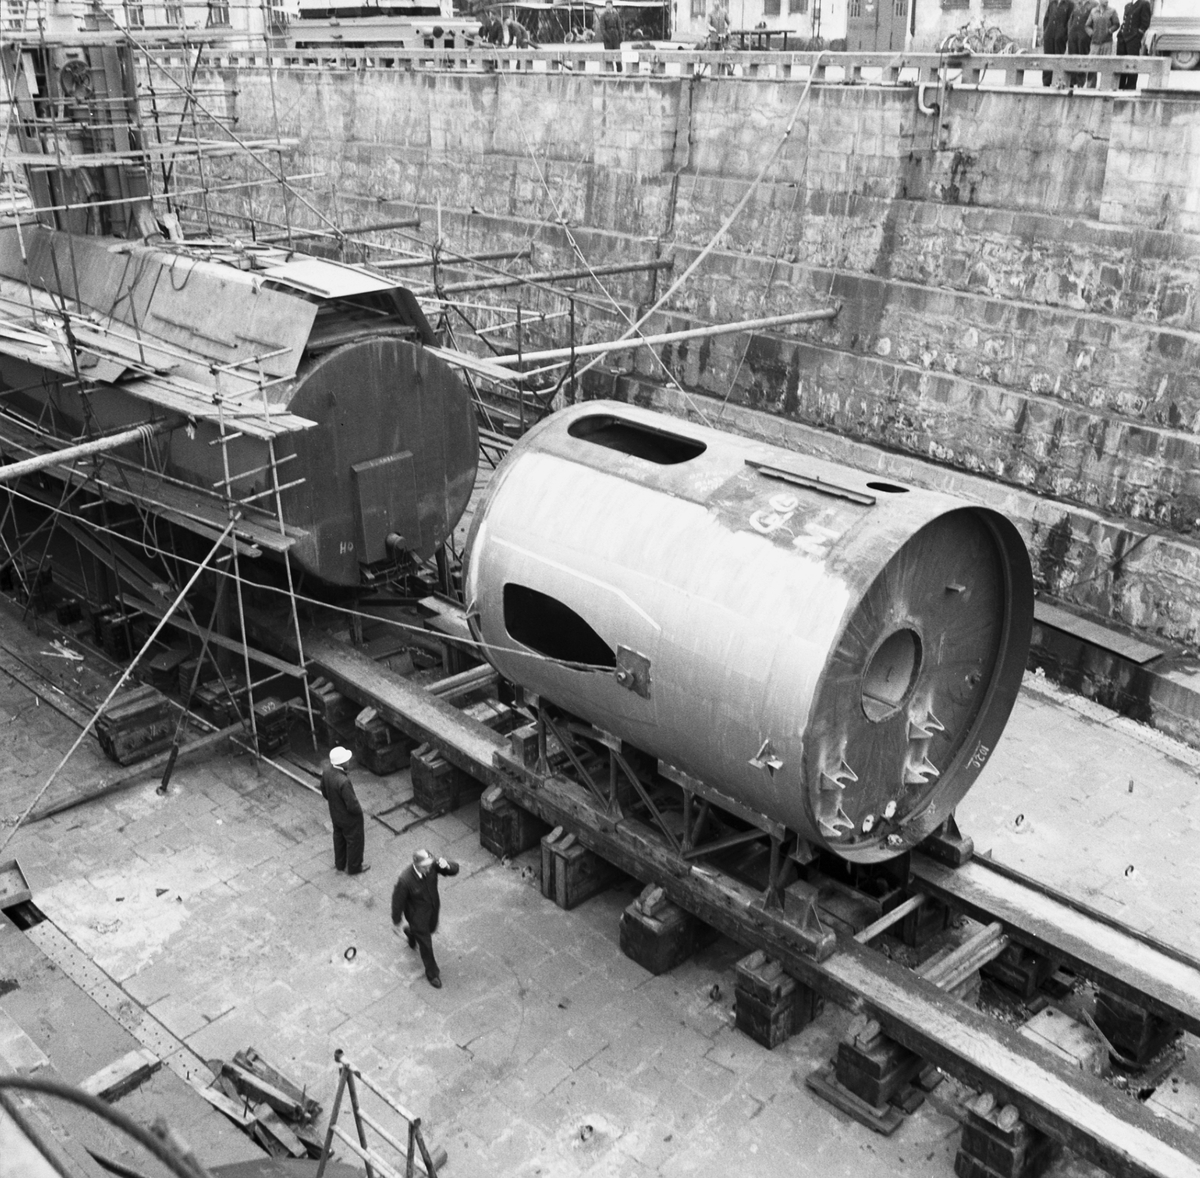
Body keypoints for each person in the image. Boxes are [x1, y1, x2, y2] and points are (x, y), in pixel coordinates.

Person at [391, 848, 460, 988]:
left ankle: (411, 932)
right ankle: (432, 973)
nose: (429, 869)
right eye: (425, 867)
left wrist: (447, 865)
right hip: (417, 916)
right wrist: (396, 920)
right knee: (426, 944)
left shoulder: (432, 865)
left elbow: (454, 869)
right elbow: (397, 901)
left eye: (429, 865)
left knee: (432, 929)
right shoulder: (405, 880)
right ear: (417, 865)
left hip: (433, 909)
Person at [321, 747, 368, 876]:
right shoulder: (343, 781)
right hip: (349, 818)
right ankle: (354, 867)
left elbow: (324, 791)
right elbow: (352, 804)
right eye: (347, 760)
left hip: (335, 813)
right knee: (355, 840)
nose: (349, 762)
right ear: (342, 763)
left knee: (339, 838)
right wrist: (359, 812)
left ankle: (340, 864)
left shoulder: (326, 772)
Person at [1116, 0, 1152, 89]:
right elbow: (1125, 21)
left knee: (1132, 63)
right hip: (1122, 38)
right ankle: (1120, 85)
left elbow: (1145, 23)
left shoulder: (1144, 4)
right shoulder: (1128, 5)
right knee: (1121, 63)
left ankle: (1130, 86)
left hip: (1133, 38)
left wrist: (1137, 35)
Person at [1084, 0, 1120, 86]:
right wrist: (1092, 33)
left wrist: (1109, 31)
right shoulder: (1093, 11)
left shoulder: (1112, 11)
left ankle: (1105, 86)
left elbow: (1116, 24)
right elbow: (1087, 26)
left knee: (1106, 65)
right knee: (1092, 65)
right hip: (1095, 43)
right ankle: (1090, 87)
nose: (1106, 1)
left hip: (1107, 43)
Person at [1041, 0, 1075, 87]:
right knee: (1048, 57)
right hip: (1049, 35)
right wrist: (1046, 32)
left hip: (1060, 37)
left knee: (1058, 58)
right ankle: (1046, 81)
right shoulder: (1052, 3)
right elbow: (1046, 19)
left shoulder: (1069, 4)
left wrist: (1064, 34)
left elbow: (1070, 21)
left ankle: (1056, 81)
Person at [1066, 0, 1098, 86]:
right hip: (1073, 36)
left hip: (1085, 37)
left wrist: (1091, 34)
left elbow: (1096, 21)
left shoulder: (1094, 4)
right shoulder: (1076, 3)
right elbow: (1071, 19)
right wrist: (1070, 33)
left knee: (1083, 58)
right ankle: (1071, 82)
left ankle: (1081, 82)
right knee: (1072, 58)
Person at [597, 0, 623, 65]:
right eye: (607, 5)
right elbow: (602, 28)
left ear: (612, 5)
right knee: (608, 56)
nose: (608, 6)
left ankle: (619, 70)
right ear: (605, 6)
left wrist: (620, 35)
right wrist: (606, 36)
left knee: (617, 54)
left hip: (615, 35)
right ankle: (609, 70)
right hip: (607, 36)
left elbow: (619, 26)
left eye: (609, 4)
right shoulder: (603, 16)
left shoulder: (616, 15)